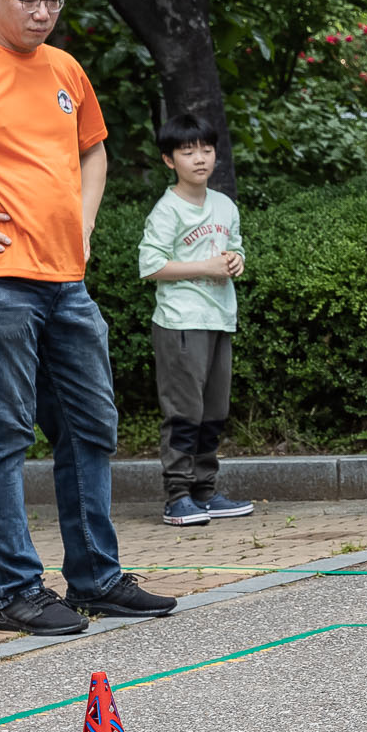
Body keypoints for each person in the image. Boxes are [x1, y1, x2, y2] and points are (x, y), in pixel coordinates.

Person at [0, 0, 174, 633]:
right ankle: (14, 592)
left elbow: (94, 151)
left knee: (92, 426)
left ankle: (94, 577)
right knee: (3, 433)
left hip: (66, 282)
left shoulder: (65, 67)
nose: (43, 12)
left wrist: (84, 224)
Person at [138, 112, 250, 527]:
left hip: (220, 317)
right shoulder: (166, 211)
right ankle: (177, 497)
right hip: (180, 320)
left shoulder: (224, 205)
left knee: (214, 410)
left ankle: (205, 491)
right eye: (188, 152)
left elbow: (234, 249)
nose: (199, 158)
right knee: (184, 411)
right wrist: (205, 266)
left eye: (206, 149)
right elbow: (150, 266)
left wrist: (235, 260)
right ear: (170, 160)